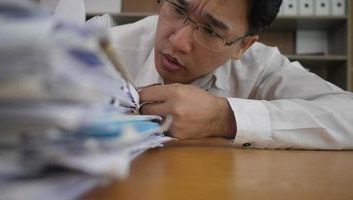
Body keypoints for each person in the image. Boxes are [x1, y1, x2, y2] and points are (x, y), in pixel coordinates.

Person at [110, 0, 353, 149]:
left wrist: (224, 117)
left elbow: (348, 115)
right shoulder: (103, 45)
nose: (178, 41)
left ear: (243, 46)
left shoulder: (262, 66)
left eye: (210, 30)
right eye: (178, 7)